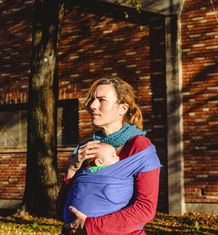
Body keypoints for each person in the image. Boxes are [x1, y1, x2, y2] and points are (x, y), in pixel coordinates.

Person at [56, 76, 161, 235]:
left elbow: (145, 209)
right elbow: (62, 210)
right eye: (92, 99)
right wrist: (72, 168)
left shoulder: (139, 147)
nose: (92, 105)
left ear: (122, 108)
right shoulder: (88, 149)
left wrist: (91, 226)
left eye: (101, 100)